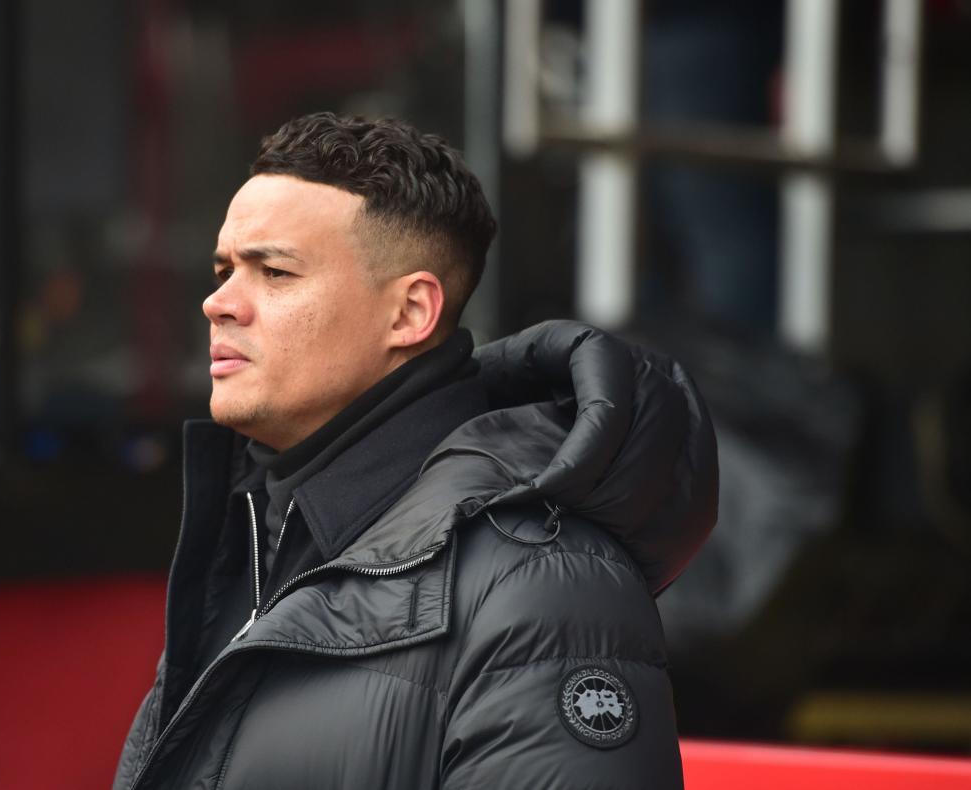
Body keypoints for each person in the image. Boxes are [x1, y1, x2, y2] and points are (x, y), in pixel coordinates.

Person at [113, 112, 717, 790]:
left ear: (410, 314)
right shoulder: (256, 537)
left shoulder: (541, 585)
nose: (218, 303)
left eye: (274, 273)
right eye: (224, 270)